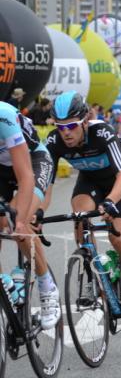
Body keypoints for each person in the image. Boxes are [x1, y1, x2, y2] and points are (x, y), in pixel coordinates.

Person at [45, 91, 121, 325]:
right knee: (80, 218)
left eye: (72, 126)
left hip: (118, 182)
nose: (66, 132)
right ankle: (91, 278)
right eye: (60, 126)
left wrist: (110, 202)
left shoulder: (103, 133)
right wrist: (35, 213)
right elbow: (45, 185)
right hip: (90, 181)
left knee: (119, 239)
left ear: (85, 121)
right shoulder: (55, 142)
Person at [0, 101, 60, 330]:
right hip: (2, 170)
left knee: (17, 224)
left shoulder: (4, 116)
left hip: (33, 162)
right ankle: (6, 284)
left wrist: (21, 218)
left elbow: (26, 178)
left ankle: (47, 286)